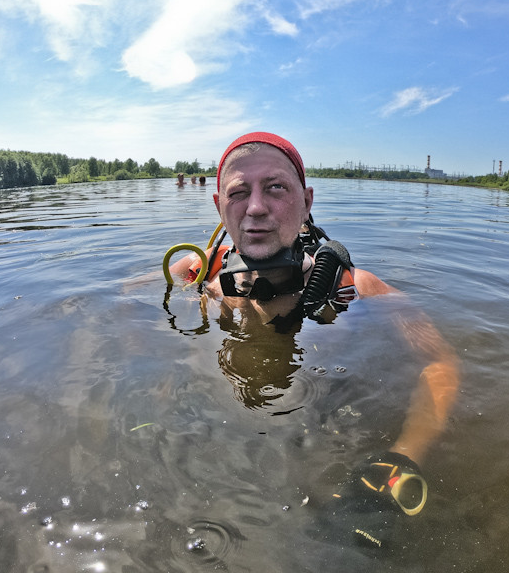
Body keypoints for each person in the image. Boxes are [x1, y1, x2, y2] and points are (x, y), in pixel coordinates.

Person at [168, 131, 461, 545]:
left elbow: (441, 362)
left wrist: (403, 458)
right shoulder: (200, 270)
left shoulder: (358, 289)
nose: (255, 208)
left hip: (328, 459)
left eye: (275, 188)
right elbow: (124, 296)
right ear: (219, 206)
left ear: (307, 201)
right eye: (238, 192)